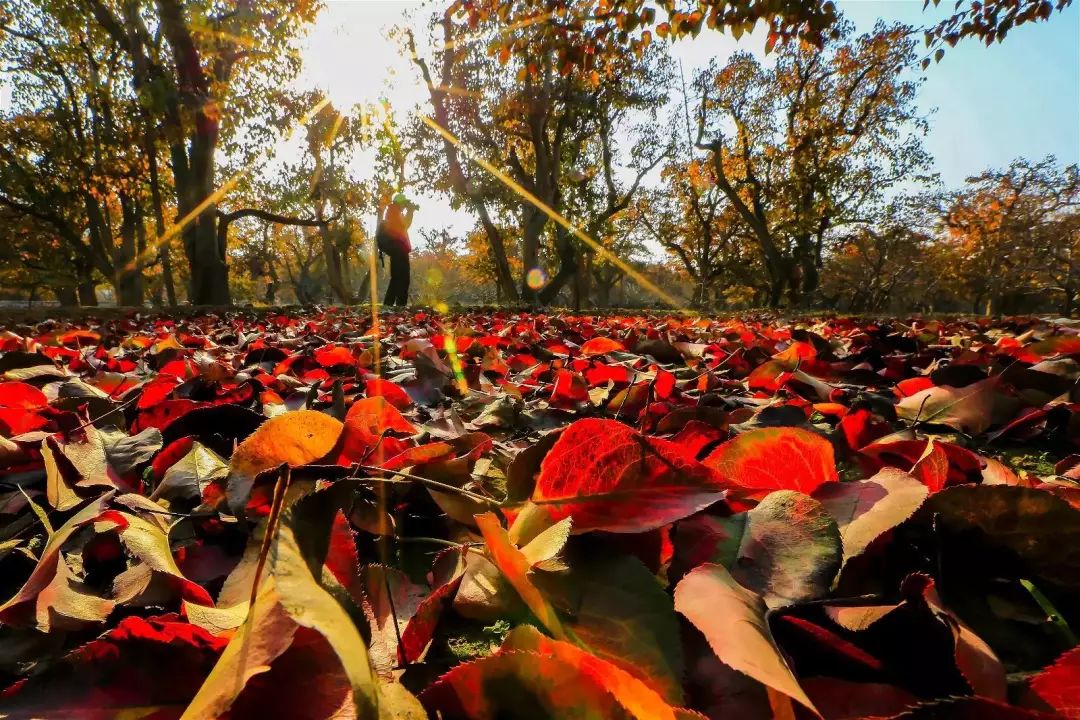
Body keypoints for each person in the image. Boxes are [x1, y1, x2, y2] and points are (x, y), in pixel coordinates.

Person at [376, 193, 416, 306]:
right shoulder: (394, 212)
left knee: (396, 279)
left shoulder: (392, 211)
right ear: (400, 203)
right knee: (403, 279)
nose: (405, 205)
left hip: (397, 250)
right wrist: (411, 212)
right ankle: (400, 306)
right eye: (404, 203)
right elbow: (405, 225)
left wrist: (409, 211)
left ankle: (389, 305)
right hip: (399, 250)